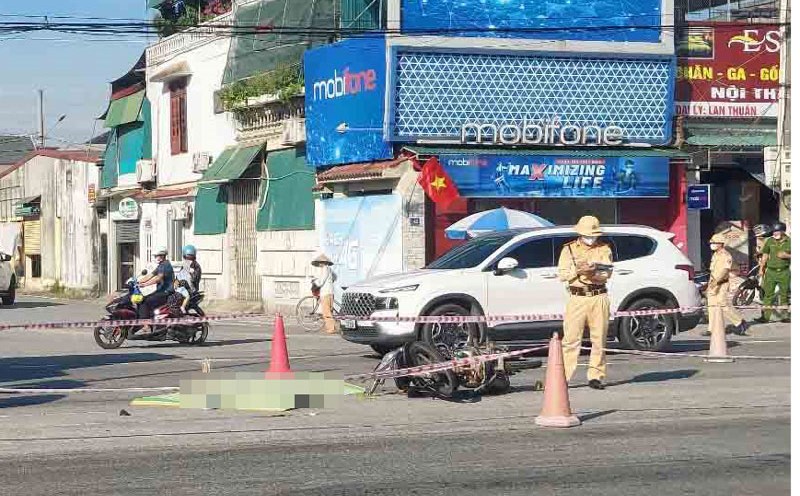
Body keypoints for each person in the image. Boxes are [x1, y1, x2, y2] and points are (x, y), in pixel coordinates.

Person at [557, 216, 614, 390]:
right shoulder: (569, 249)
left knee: (599, 338)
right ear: (580, 234)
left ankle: (596, 375)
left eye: (594, 235)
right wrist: (578, 270)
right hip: (577, 297)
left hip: (598, 296)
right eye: (588, 235)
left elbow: (606, 273)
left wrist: (592, 274)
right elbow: (563, 274)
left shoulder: (604, 249)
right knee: (571, 339)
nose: (591, 238)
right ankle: (564, 377)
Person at [705, 233, 748, 337]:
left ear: (720, 244)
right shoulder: (715, 255)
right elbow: (713, 271)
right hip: (713, 283)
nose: (712, 244)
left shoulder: (726, 255)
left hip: (722, 283)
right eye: (712, 242)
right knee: (711, 306)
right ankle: (712, 329)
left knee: (723, 304)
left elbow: (725, 270)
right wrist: (710, 284)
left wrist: (717, 282)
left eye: (714, 242)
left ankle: (739, 322)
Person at [756, 222, 791, 323]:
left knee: (784, 294)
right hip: (771, 271)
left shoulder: (790, 241)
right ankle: (765, 317)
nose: (775, 233)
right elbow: (765, 255)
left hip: (784, 272)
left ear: (783, 231)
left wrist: (787, 256)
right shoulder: (770, 241)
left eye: (777, 231)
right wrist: (761, 268)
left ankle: (785, 316)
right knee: (768, 294)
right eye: (774, 231)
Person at [136, 246, 175, 334]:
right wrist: (137, 281)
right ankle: (150, 322)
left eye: (156, 256)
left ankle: (146, 326)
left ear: (162, 255)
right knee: (144, 299)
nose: (155, 257)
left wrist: (145, 284)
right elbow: (150, 275)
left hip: (166, 293)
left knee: (144, 301)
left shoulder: (165, 265)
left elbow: (158, 278)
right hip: (160, 291)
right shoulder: (161, 266)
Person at [310, 253, 337, 334]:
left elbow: (321, 282)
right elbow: (335, 277)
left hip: (326, 292)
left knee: (326, 312)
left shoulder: (325, 269)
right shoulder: (329, 269)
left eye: (319, 263)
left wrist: (315, 282)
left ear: (322, 262)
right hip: (330, 292)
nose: (319, 264)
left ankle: (331, 329)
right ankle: (332, 327)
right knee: (330, 311)